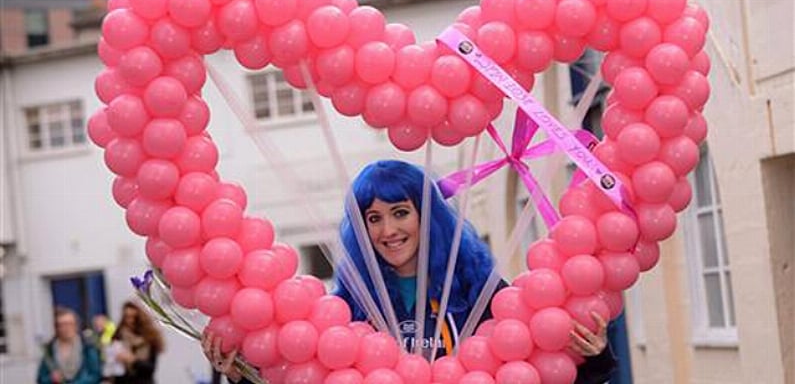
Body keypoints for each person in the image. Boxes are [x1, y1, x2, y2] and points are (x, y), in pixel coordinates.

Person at [206, 160, 616, 383]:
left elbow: (539, 371)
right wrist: (242, 374)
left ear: (427, 216)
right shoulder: (348, 304)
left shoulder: (480, 288)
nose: (388, 231)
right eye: (373, 218)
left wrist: (593, 359)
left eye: (401, 213)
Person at [37, 306, 102, 384]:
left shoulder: (87, 347)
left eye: (69, 324)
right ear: (56, 328)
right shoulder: (50, 350)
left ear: (76, 325)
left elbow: (95, 375)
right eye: (62, 325)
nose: (66, 328)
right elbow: (41, 379)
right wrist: (51, 379)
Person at [110, 301, 164, 384]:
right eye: (127, 317)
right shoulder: (118, 336)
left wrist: (133, 360)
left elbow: (151, 368)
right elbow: (111, 366)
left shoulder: (150, 338)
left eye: (134, 317)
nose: (130, 321)